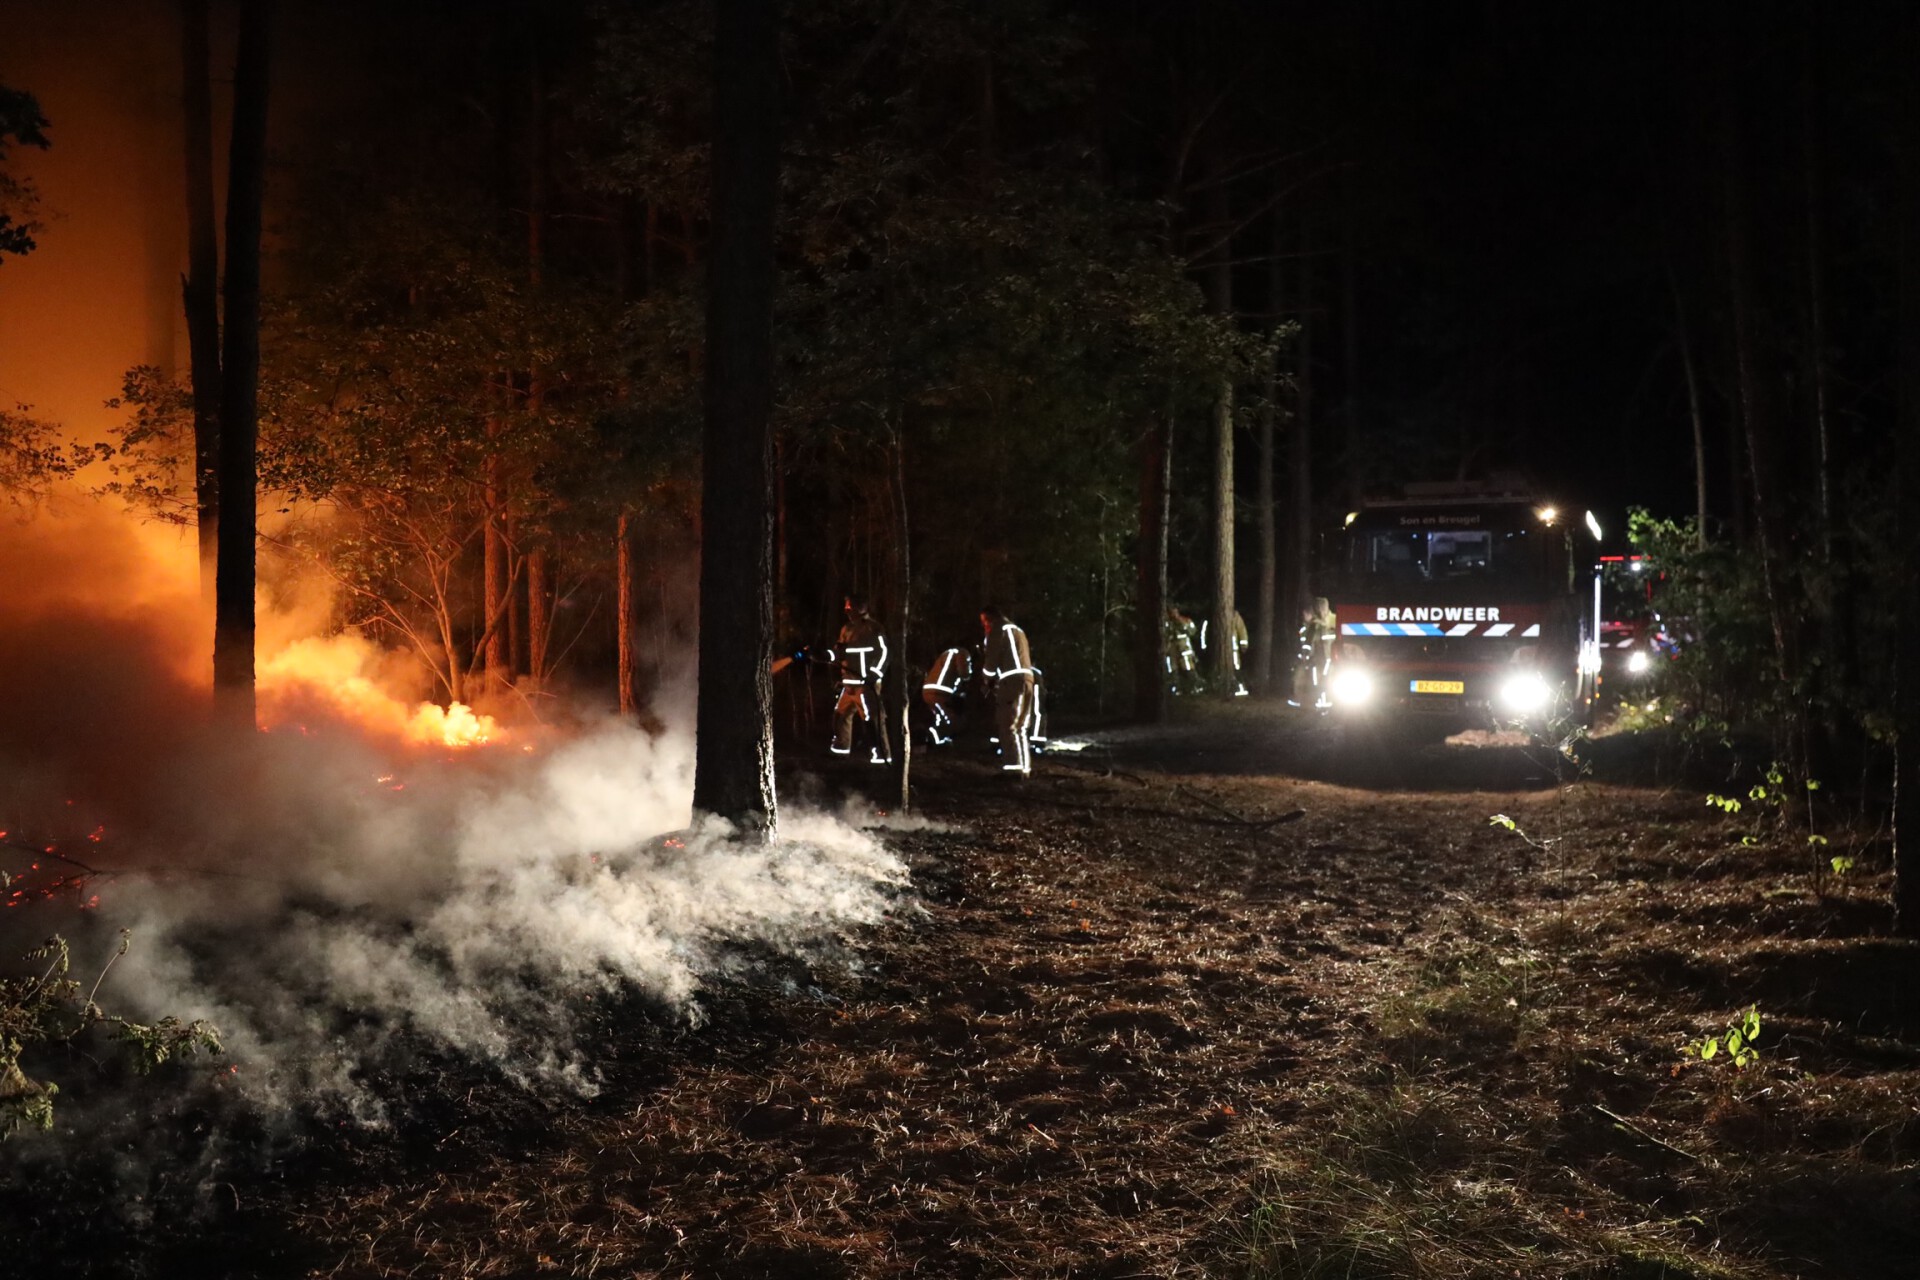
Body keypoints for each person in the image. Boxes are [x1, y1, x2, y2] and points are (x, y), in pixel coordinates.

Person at [830, 595, 892, 764]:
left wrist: (874, 674)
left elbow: (884, 653)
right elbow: (839, 652)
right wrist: (828, 656)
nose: (846, 611)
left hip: (866, 684)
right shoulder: (846, 629)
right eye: (845, 607)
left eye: (849, 607)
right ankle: (841, 751)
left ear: (860, 608)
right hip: (848, 682)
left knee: (872, 719)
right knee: (840, 715)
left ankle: (881, 756)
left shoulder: (874, 628)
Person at [978, 605, 1035, 777]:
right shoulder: (1019, 631)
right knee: (1020, 726)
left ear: (990, 619)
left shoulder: (998, 630)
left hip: (1011, 681)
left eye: (984, 622)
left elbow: (991, 662)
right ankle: (1024, 768)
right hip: (1028, 680)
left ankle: (1013, 769)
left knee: (1007, 724)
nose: (984, 626)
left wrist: (986, 679)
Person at [920, 638, 974, 746]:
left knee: (941, 718)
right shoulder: (962, 653)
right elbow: (964, 673)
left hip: (929, 690)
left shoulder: (947, 653)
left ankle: (938, 741)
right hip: (939, 691)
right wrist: (970, 673)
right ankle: (930, 740)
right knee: (950, 719)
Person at [1163, 606, 1198, 695]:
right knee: (1172, 669)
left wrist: (1180, 622)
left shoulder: (1186, 620)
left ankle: (1193, 688)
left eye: (1175, 611)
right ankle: (1175, 689)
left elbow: (1192, 631)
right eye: (1171, 612)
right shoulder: (1166, 623)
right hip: (1171, 649)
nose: (1173, 614)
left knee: (1188, 668)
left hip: (1184, 649)